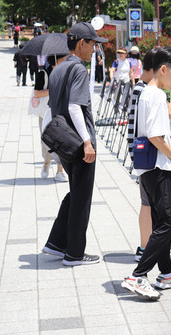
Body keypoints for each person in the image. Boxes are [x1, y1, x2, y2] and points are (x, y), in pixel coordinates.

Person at [121, 47, 171, 300]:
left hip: (150, 167)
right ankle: (138, 276)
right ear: (163, 69)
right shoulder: (155, 96)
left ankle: (167, 273)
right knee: (168, 223)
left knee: (162, 221)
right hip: (159, 167)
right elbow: (156, 137)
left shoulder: (149, 93)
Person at [42, 22, 107, 266]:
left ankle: (56, 243)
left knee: (75, 192)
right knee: (82, 198)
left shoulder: (58, 69)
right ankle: (75, 254)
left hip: (64, 142)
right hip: (79, 144)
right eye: (92, 45)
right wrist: (88, 142)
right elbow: (74, 107)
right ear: (81, 43)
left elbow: (53, 109)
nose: (94, 50)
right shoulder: (79, 70)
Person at [31, 54, 68, 181]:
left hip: (61, 112)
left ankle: (60, 170)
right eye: (63, 59)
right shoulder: (43, 74)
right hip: (45, 112)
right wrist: (53, 90)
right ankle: (46, 162)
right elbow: (37, 93)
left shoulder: (64, 74)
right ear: (57, 60)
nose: (65, 61)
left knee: (62, 141)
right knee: (46, 140)